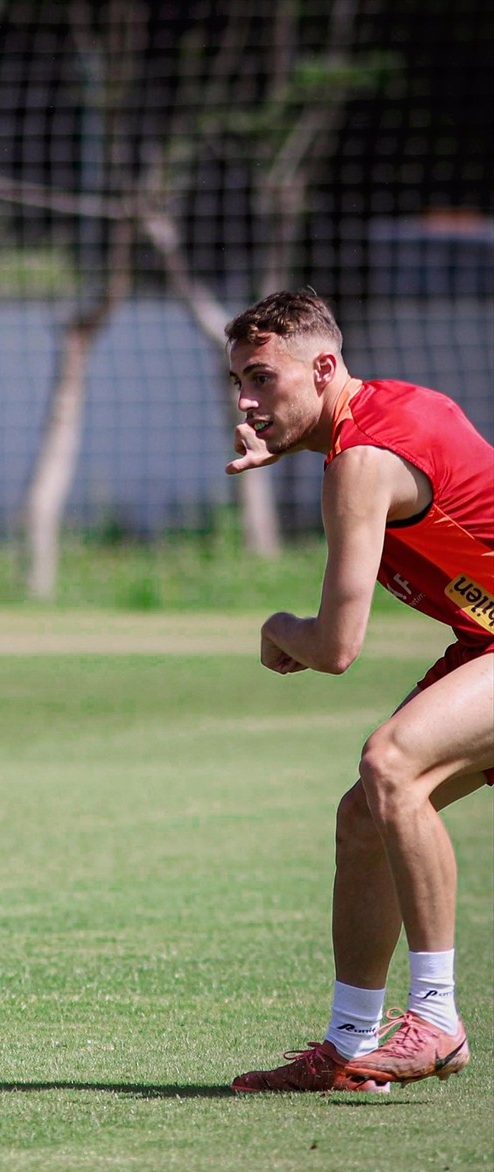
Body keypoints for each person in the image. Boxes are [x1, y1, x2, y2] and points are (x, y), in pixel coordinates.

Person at [221, 291, 493, 1093]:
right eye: (238, 381)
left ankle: (438, 1021)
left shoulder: (361, 462)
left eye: (263, 379)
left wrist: (277, 627)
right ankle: (348, 1046)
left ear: (325, 367)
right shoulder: (384, 415)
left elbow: (335, 648)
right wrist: (300, 439)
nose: (245, 399)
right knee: (365, 814)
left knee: (392, 763)